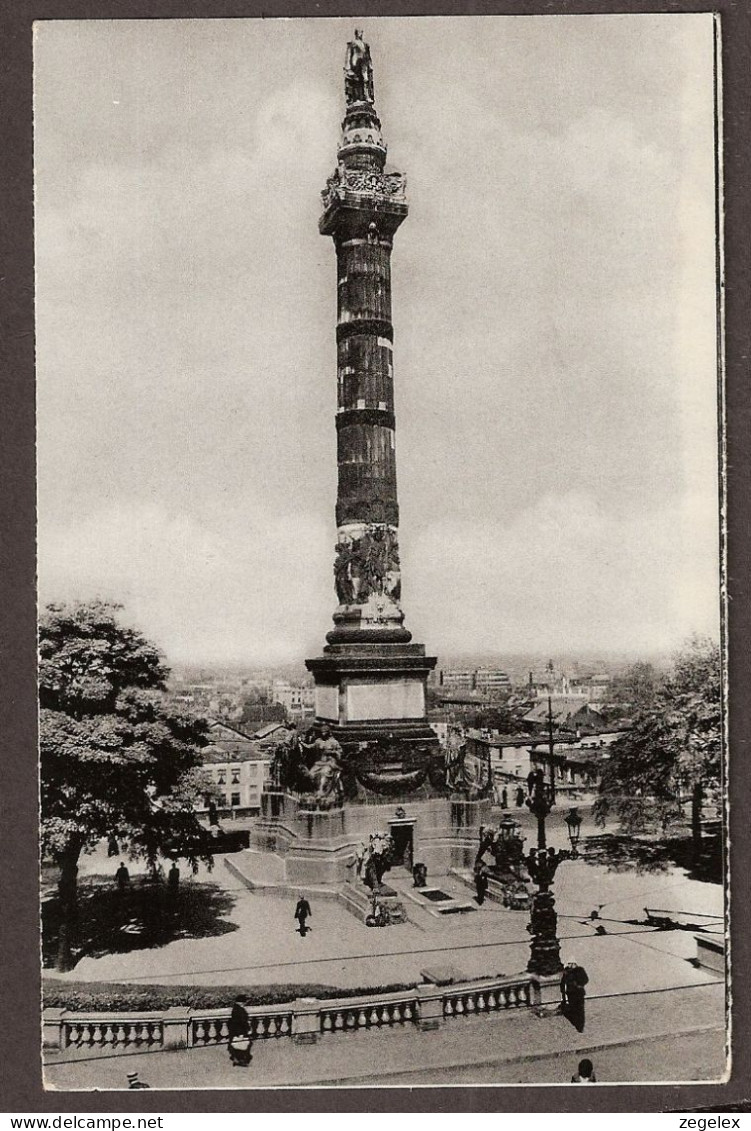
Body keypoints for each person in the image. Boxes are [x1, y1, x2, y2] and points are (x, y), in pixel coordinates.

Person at [561, 962, 589, 1033]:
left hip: (579, 993)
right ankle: (576, 1023)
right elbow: (563, 982)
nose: (570, 965)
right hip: (571, 993)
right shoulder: (566, 972)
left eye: (572, 963)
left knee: (580, 1009)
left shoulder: (580, 970)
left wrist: (579, 985)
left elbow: (585, 979)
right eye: (569, 964)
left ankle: (580, 1026)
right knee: (574, 1009)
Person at [227, 994, 253, 1068]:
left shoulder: (235, 1009)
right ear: (241, 1002)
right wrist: (245, 1030)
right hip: (240, 1031)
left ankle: (237, 1060)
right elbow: (242, 1022)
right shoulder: (240, 1010)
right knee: (242, 1045)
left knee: (240, 1045)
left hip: (237, 1031)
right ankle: (241, 1061)